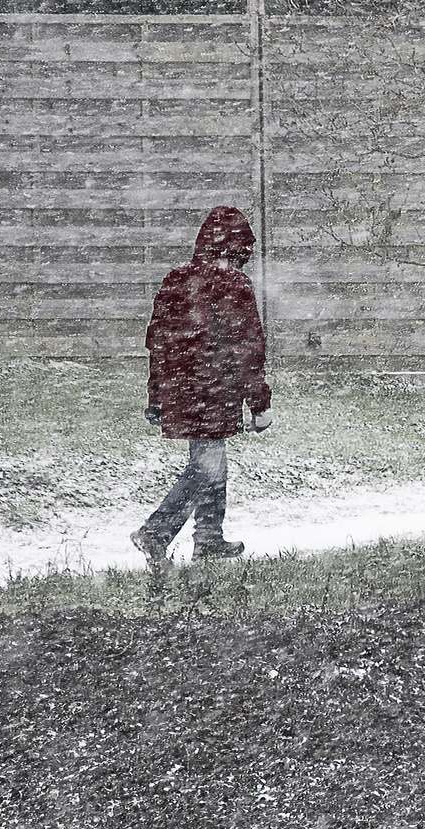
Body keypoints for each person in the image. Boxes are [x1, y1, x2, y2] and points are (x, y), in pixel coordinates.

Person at [132, 206, 273, 570]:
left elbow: (158, 343)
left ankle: (209, 538)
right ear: (236, 251)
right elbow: (247, 347)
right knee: (207, 470)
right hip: (215, 392)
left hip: (182, 391)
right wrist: (259, 403)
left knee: (212, 464)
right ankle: (156, 532)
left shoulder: (176, 280)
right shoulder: (235, 286)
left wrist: (157, 396)